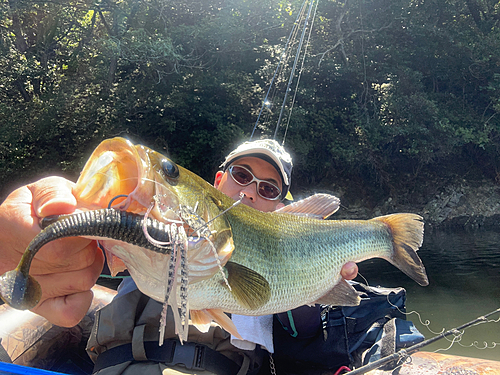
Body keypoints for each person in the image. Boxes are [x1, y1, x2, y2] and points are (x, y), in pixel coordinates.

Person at [0, 139, 361, 375]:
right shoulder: (142, 230)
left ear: (281, 205)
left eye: (267, 189)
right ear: (218, 181)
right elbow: (80, 245)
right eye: (242, 175)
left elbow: (306, 337)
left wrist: (316, 284)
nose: (250, 192)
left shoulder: (287, 258)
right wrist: (16, 247)